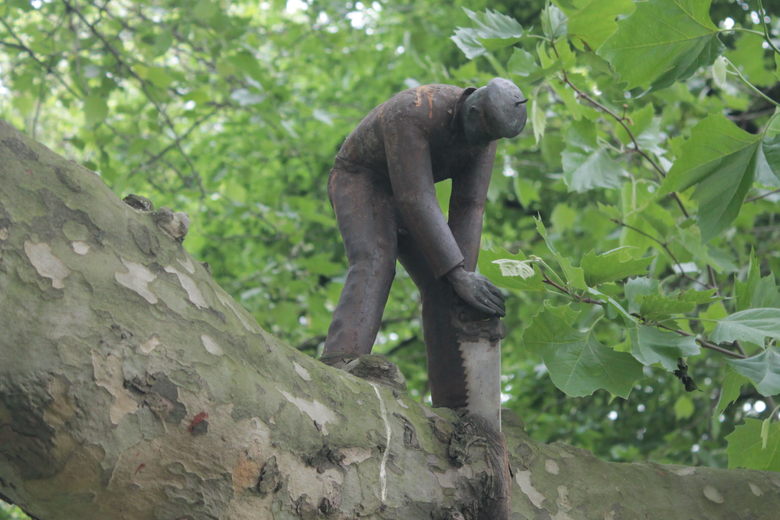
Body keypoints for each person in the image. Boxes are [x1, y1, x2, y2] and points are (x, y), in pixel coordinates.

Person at [321, 78, 527, 409]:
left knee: (445, 285)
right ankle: (341, 365)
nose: (484, 143)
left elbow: (469, 207)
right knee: (376, 260)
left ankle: (456, 404)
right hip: (363, 179)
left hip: (411, 193)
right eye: (484, 133)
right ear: (473, 110)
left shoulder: (485, 138)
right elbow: (415, 197)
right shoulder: (416, 109)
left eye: (493, 138)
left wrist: (462, 281)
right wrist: (458, 271)